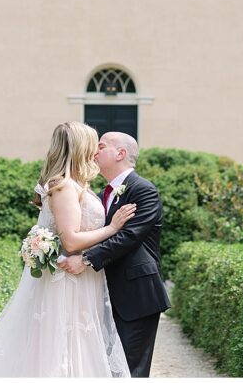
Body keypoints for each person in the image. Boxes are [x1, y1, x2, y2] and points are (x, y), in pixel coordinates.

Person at [0, 122, 137, 377]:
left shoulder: (76, 184)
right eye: (93, 144)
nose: (96, 151)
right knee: (62, 347)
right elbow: (71, 240)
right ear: (81, 146)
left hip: (82, 278)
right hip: (67, 282)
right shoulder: (63, 186)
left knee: (79, 344)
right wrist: (112, 228)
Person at [56, 131, 171, 378]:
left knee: (130, 371)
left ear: (120, 154)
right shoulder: (101, 195)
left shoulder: (143, 190)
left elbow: (128, 237)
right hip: (102, 295)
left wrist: (86, 260)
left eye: (101, 146)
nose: (94, 151)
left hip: (135, 295)